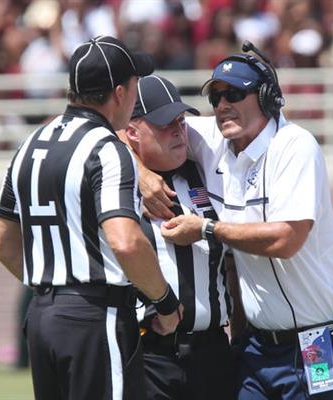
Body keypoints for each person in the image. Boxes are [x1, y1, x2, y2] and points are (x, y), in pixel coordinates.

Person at [141, 44, 333, 399]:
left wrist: (205, 229)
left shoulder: (295, 146)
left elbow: (286, 240)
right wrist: (139, 172)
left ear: (266, 98)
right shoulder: (213, 136)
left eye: (234, 93)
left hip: (318, 340)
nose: (222, 105)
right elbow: (125, 130)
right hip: (257, 347)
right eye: (215, 98)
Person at [0, 35, 182, 400]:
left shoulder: (30, 143)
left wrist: (55, 288)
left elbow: (0, 241)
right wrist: (166, 303)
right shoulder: (107, 148)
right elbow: (124, 241)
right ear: (121, 93)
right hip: (96, 316)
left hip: (43, 316)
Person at [120, 75, 243, 400]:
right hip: (150, 355)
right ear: (132, 132)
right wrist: (139, 173)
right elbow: (91, 133)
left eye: (180, 121)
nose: (178, 131)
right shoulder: (116, 184)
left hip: (214, 351)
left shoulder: (202, 166)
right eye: (164, 125)